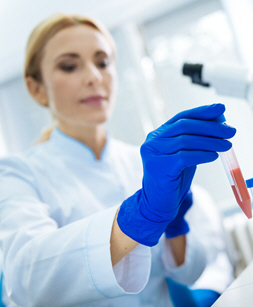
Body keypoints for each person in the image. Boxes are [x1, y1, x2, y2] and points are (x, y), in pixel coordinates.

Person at [0, 13, 236, 306]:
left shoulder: (145, 163)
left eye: (103, 62)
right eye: (70, 66)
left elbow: (190, 274)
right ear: (37, 89)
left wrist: (176, 226)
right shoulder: (17, 174)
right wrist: (141, 217)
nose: (94, 77)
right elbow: (27, 281)